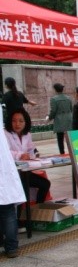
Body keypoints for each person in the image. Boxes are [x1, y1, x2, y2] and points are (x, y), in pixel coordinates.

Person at [5, 109, 51, 204]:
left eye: (21, 121)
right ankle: (21, 213)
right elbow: (5, 152)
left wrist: (34, 154)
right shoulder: (5, 134)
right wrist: (20, 155)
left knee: (45, 184)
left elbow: (31, 149)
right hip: (11, 174)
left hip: (24, 171)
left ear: (26, 122)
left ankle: (38, 209)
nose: (17, 124)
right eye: (14, 121)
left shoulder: (27, 134)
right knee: (23, 190)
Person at [0, 110, 25, 258]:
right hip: (4, 173)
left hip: (4, 174)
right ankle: (11, 248)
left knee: (7, 211)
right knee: (7, 211)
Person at [48, 83, 73, 154]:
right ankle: (72, 152)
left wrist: (50, 117)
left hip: (59, 120)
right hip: (69, 118)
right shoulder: (68, 98)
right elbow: (71, 109)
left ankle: (62, 153)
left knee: (60, 138)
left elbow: (53, 111)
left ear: (55, 90)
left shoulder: (53, 99)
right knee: (69, 138)